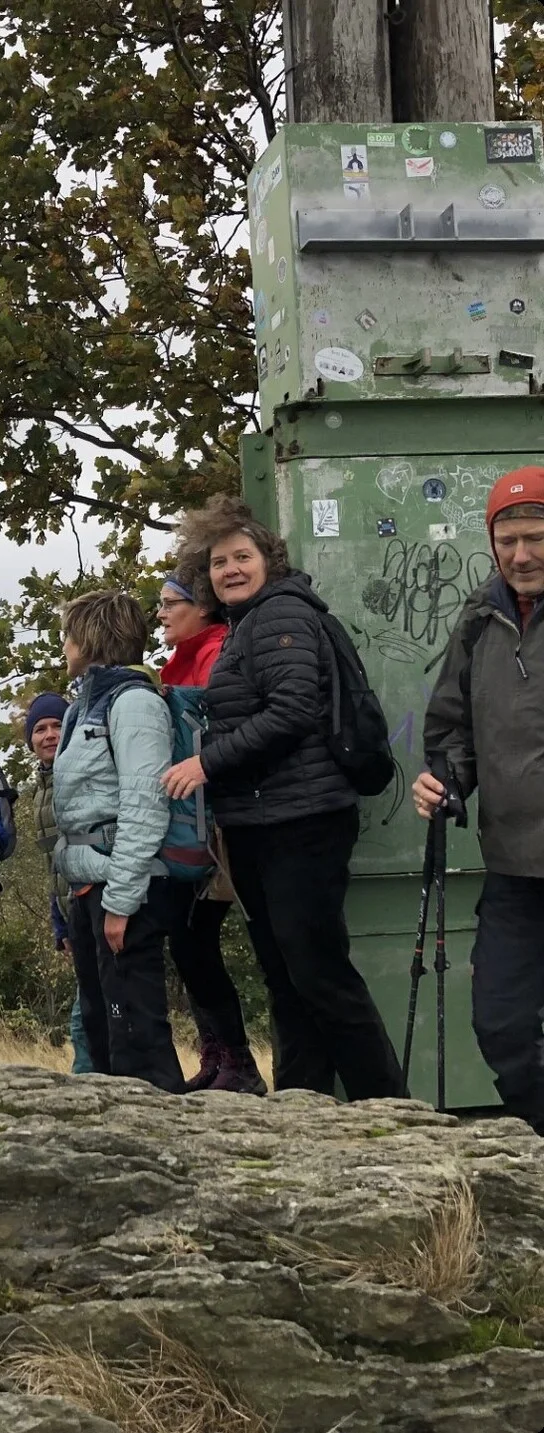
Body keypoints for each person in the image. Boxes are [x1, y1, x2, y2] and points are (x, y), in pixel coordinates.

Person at [163, 496, 404, 1101]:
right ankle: (305, 1103)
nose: (230, 570)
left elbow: (293, 712)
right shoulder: (251, 623)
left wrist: (205, 762)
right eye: (218, 563)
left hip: (302, 821)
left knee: (318, 974)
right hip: (266, 820)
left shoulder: (279, 617)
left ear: (268, 560)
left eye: (242, 557)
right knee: (288, 976)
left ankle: (390, 1106)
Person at [414, 466, 544, 1132]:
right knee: (501, 1023)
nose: (521, 554)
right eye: (508, 538)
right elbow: (450, 726)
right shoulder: (479, 617)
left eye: (535, 536)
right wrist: (445, 778)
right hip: (515, 868)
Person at [52, 590, 185, 1089]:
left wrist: (123, 900)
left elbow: (144, 804)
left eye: (69, 634)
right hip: (89, 884)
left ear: (89, 637)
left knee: (138, 1034)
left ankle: (168, 1143)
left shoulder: (133, 704)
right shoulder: (81, 706)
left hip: (124, 888)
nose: (64, 645)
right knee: (104, 1028)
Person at [157, 576, 265, 1095]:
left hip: (218, 826)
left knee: (194, 940)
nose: (161, 614)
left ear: (202, 608)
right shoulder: (180, 659)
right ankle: (218, 1057)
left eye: (169, 603)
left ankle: (238, 1064)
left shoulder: (217, 654)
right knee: (187, 942)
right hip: (194, 824)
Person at [25, 692, 93, 1075]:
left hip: (97, 903)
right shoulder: (42, 786)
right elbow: (53, 859)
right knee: (88, 1014)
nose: (49, 735)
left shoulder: (80, 772)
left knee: (87, 1019)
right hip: (73, 911)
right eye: (40, 728)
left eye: (56, 725)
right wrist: (59, 923)